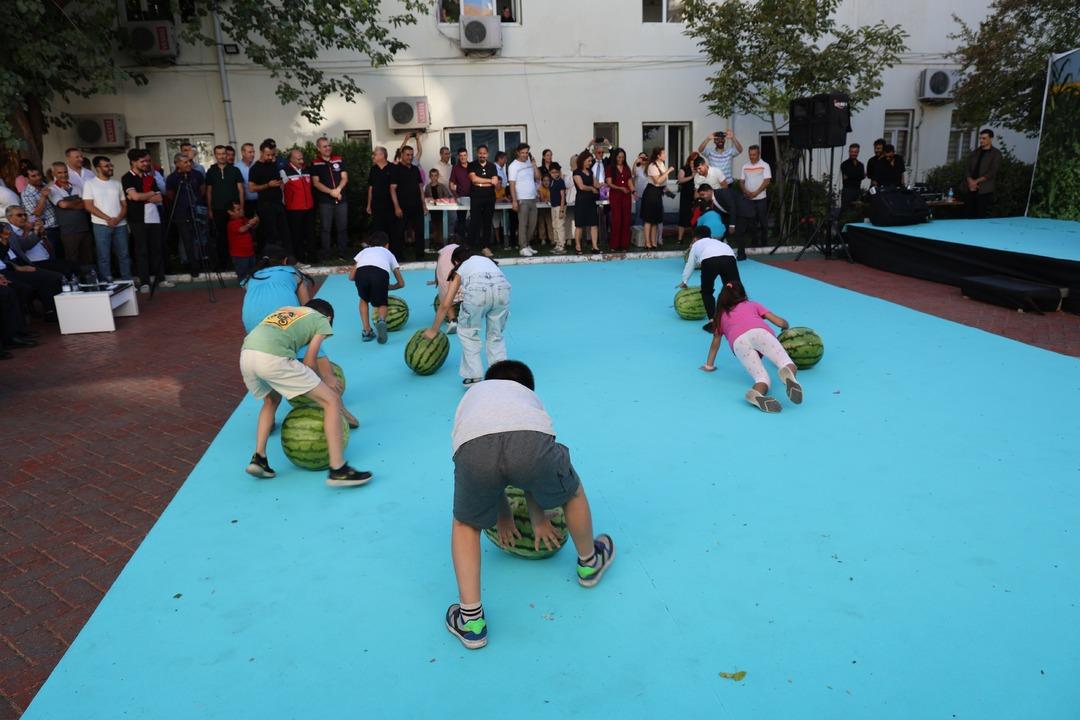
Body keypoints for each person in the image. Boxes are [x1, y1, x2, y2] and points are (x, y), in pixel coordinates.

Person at [443, 359, 615, 650]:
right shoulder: (529, 400)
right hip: (531, 442)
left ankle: (471, 621)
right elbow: (529, 462)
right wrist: (538, 518)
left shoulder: (473, 396)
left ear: (488, 381)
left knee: (465, 524)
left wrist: (503, 515)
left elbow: (490, 457)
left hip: (473, 448)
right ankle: (589, 563)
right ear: (527, 388)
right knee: (571, 491)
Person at [240, 299, 371, 486]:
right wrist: (325, 384)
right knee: (331, 401)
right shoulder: (321, 320)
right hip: (272, 358)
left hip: (247, 354)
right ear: (329, 318)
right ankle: (338, 469)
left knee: (271, 401)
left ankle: (259, 458)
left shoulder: (286, 310)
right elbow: (310, 361)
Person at [701, 280, 803, 414]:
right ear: (743, 293)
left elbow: (715, 343)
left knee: (762, 378)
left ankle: (756, 394)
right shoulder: (752, 304)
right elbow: (779, 322)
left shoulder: (720, 316)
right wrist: (785, 325)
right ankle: (788, 374)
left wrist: (709, 365)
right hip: (759, 333)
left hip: (739, 343)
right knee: (786, 362)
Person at [426, 245, 510, 384]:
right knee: (496, 334)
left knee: (467, 332)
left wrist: (433, 329)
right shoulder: (488, 261)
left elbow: (446, 304)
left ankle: (474, 375)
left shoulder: (462, 267)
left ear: (457, 261)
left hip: (477, 293)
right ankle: (500, 372)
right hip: (503, 290)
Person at [679, 225, 740, 332]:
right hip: (729, 257)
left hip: (709, 260)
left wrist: (684, 280)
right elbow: (730, 255)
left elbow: (690, 264)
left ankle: (713, 322)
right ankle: (740, 317)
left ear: (695, 237)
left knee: (707, 291)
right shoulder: (718, 242)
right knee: (734, 289)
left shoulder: (696, 244)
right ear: (709, 235)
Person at [349, 231, 405, 344]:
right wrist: (388, 287)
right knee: (382, 302)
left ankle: (366, 331)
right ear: (387, 245)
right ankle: (381, 320)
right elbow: (401, 283)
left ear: (370, 245)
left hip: (361, 273)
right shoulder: (388, 253)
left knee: (363, 299)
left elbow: (351, 277)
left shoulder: (364, 251)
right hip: (380, 274)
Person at [121, 148, 166, 292]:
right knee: (142, 250)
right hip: (137, 218)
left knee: (157, 249)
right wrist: (149, 194)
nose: (146, 163)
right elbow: (134, 197)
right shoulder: (127, 177)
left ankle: (161, 278)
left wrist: (143, 195)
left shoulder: (150, 176)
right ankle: (145, 282)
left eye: (147, 160)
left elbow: (158, 197)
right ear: (133, 162)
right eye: (143, 161)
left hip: (154, 217)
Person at [0, 218, 63, 315]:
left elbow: (23, 245)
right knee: (25, 287)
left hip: (21, 263)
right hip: (9, 269)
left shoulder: (5, 226)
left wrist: (38, 233)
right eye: (19, 215)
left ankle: (52, 312)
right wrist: (17, 267)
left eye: (25, 214)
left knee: (54, 276)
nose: (23, 217)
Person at [82, 155, 131, 281]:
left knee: (124, 255)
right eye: (106, 166)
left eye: (111, 165)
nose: (110, 168)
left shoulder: (117, 183)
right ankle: (107, 282)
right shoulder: (90, 184)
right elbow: (88, 206)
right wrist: (108, 219)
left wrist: (118, 219)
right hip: (101, 225)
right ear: (98, 168)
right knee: (104, 256)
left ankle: (127, 281)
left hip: (120, 224)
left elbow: (124, 205)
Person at [48, 162, 95, 273]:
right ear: (54, 173)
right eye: (59, 172)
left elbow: (86, 204)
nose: (63, 175)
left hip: (84, 228)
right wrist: (78, 202)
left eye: (65, 172)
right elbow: (63, 205)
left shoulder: (77, 187)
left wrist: (71, 204)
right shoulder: (52, 189)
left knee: (88, 258)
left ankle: (91, 283)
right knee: (72, 260)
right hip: (68, 231)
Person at [165, 153, 207, 277]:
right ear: (177, 164)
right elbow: (170, 195)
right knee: (187, 240)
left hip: (197, 210)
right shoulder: (172, 178)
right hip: (181, 212)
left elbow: (202, 189)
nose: (189, 164)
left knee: (201, 237)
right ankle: (192, 265)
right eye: (185, 162)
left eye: (189, 161)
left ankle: (203, 261)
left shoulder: (196, 174)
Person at [205, 144, 246, 268]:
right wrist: (210, 209)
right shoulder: (211, 171)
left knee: (236, 235)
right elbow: (209, 191)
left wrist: (242, 208)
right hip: (218, 209)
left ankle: (237, 262)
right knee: (221, 237)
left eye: (224, 154)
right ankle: (223, 263)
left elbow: (241, 190)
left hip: (234, 210)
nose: (222, 156)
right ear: (215, 155)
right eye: (219, 154)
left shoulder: (234, 170)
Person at [248, 139, 291, 254]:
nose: (270, 157)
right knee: (271, 234)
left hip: (278, 203)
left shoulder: (273, 165)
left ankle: (288, 258)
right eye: (268, 155)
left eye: (272, 155)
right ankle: (271, 259)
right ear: (261, 152)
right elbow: (251, 188)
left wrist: (281, 183)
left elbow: (280, 179)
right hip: (265, 206)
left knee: (285, 232)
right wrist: (268, 185)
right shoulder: (255, 168)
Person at [310, 136, 350, 261]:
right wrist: (331, 192)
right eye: (324, 146)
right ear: (318, 148)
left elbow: (345, 177)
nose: (328, 148)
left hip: (341, 199)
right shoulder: (315, 163)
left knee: (342, 228)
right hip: (325, 202)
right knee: (325, 229)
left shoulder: (339, 159)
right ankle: (326, 255)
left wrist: (338, 190)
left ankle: (342, 254)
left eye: (329, 145)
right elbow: (316, 183)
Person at [389, 143, 427, 261]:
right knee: (399, 232)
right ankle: (398, 257)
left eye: (411, 155)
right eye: (407, 155)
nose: (410, 157)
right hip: (402, 207)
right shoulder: (396, 169)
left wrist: (424, 205)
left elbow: (420, 187)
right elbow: (392, 189)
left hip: (416, 206)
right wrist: (396, 207)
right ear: (402, 155)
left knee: (420, 232)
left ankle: (420, 256)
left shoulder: (415, 169)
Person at [736, 145, 771, 261]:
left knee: (762, 220)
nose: (752, 157)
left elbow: (767, 181)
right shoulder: (745, 166)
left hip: (761, 198)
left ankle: (764, 241)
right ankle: (754, 241)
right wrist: (745, 191)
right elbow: (741, 181)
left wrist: (756, 192)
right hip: (748, 199)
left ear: (759, 154)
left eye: (754, 155)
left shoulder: (765, 165)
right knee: (751, 222)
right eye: (750, 155)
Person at [282, 148, 315, 262]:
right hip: (294, 209)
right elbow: (282, 190)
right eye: (298, 159)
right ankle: (299, 258)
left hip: (309, 207)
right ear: (291, 159)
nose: (301, 161)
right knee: (297, 235)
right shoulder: (284, 171)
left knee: (310, 234)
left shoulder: (307, 169)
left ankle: (312, 258)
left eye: (302, 158)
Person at [508, 143, 541, 256]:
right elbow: (512, 184)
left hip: (532, 198)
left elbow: (537, 177)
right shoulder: (513, 166)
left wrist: (534, 165)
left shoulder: (529, 163)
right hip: (522, 199)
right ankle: (522, 247)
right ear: (517, 153)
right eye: (522, 153)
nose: (525, 155)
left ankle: (527, 244)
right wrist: (514, 200)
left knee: (532, 224)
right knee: (523, 224)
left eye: (526, 153)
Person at [467, 145, 500, 256]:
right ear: (477, 153)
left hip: (490, 197)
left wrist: (481, 182)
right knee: (474, 222)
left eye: (484, 153)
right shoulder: (472, 165)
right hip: (476, 197)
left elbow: (495, 182)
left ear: (487, 154)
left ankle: (485, 247)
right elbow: (474, 179)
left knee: (487, 222)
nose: (482, 155)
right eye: (480, 153)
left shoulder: (492, 166)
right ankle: (470, 247)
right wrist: (489, 181)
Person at [966, 129, 1002, 219]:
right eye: (980, 138)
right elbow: (967, 168)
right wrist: (970, 181)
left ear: (991, 139)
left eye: (984, 138)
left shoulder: (996, 154)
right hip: (971, 188)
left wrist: (976, 181)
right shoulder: (975, 152)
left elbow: (993, 171)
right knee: (968, 214)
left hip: (984, 189)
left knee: (981, 215)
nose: (981, 140)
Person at [641, 146, 673, 250]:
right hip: (651, 194)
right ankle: (647, 243)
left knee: (655, 220)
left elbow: (662, 182)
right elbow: (657, 181)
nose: (665, 155)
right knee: (648, 220)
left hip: (658, 193)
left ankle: (654, 242)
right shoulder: (652, 165)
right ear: (658, 155)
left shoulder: (661, 164)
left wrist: (667, 190)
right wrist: (668, 171)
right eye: (663, 153)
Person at [606, 148, 634, 252]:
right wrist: (620, 188)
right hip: (616, 196)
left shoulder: (627, 168)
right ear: (615, 157)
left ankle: (624, 245)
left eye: (623, 157)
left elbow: (630, 181)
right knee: (617, 220)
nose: (621, 159)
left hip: (626, 196)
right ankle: (614, 245)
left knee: (626, 220)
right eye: (619, 157)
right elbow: (609, 183)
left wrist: (633, 191)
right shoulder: (610, 168)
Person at [572, 151, 600, 254]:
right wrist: (592, 189)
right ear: (582, 161)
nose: (590, 163)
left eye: (591, 161)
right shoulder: (576, 172)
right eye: (588, 161)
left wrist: (603, 184)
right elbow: (581, 186)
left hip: (591, 201)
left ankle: (595, 246)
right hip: (581, 201)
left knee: (594, 224)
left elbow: (596, 184)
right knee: (579, 225)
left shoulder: (590, 172)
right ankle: (578, 246)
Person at [692, 156, 730, 232]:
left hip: (719, 201)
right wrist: (698, 203)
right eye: (696, 170)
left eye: (700, 168)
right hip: (705, 203)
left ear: (705, 164)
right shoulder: (697, 177)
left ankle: (722, 237)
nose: (698, 171)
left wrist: (722, 200)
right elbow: (696, 193)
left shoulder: (716, 171)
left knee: (720, 220)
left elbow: (725, 186)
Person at [227, 201, 259, 283]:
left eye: (241, 208)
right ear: (230, 212)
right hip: (239, 255)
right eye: (238, 209)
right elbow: (242, 229)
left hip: (250, 253)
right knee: (243, 276)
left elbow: (253, 226)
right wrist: (250, 224)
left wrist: (256, 221)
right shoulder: (231, 223)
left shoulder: (243, 219)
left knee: (253, 274)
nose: (241, 211)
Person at [433, 239, 460, 334]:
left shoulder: (442, 251)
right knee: (464, 293)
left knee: (446, 298)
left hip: (444, 273)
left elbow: (437, 267)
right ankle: (467, 316)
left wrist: (437, 280)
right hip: (457, 271)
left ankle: (452, 320)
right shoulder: (459, 248)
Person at [366, 146, 394, 236]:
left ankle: (391, 249)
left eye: (374, 154)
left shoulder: (392, 168)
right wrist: (369, 204)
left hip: (390, 206)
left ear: (382, 155)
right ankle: (379, 249)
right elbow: (371, 188)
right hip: (376, 206)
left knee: (391, 229)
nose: (372, 156)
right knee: (378, 230)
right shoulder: (373, 169)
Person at [676, 151, 699, 243]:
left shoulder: (699, 169)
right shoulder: (684, 169)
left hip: (696, 196)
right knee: (683, 217)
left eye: (696, 160)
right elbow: (680, 180)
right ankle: (680, 239)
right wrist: (691, 176)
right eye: (692, 160)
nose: (694, 162)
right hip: (685, 196)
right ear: (689, 160)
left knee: (695, 218)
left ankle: (695, 239)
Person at [425, 167, 453, 247]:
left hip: (441, 209)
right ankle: (434, 241)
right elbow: (425, 197)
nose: (434, 177)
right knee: (434, 224)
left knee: (440, 224)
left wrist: (441, 200)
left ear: (438, 176)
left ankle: (441, 242)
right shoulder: (427, 187)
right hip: (432, 209)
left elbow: (448, 196)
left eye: (435, 175)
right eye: (432, 176)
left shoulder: (442, 186)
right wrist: (428, 200)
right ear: (430, 177)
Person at [448, 148, 472, 236]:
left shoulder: (472, 166)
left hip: (474, 198)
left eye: (464, 155)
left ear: (467, 156)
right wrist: (457, 197)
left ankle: (473, 240)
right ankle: (461, 241)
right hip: (461, 198)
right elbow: (451, 184)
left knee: (475, 219)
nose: (463, 157)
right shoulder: (455, 168)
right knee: (461, 220)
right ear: (458, 156)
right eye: (461, 156)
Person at [839, 143, 865, 212]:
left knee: (856, 212)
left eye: (855, 152)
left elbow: (862, 176)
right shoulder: (844, 164)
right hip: (847, 191)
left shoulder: (860, 164)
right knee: (845, 212)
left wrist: (851, 176)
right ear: (849, 152)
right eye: (852, 152)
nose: (853, 154)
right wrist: (859, 175)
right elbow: (846, 177)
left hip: (857, 190)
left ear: (858, 152)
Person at [236, 142, 260, 218]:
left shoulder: (257, 166)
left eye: (253, 152)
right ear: (243, 153)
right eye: (250, 152)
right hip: (246, 203)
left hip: (259, 202)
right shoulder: (236, 168)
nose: (252, 154)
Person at [548, 163, 567, 254]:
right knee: (554, 225)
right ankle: (557, 243)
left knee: (560, 226)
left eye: (556, 172)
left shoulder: (560, 181)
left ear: (559, 172)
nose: (555, 174)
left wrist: (562, 210)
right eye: (552, 172)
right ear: (550, 172)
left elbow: (563, 196)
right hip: (553, 206)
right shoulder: (551, 181)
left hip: (560, 206)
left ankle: (562, 245)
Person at [536, 174, 553, 248]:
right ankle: (542, 238)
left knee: (550, 223)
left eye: (548, 180)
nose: (546, 182)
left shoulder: (552, 188)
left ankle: (552, 238)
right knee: (541, 223)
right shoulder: (540, 189)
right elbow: (542, 199)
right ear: (542, 181)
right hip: (541, 208)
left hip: (550, 208)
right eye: (544, 181)